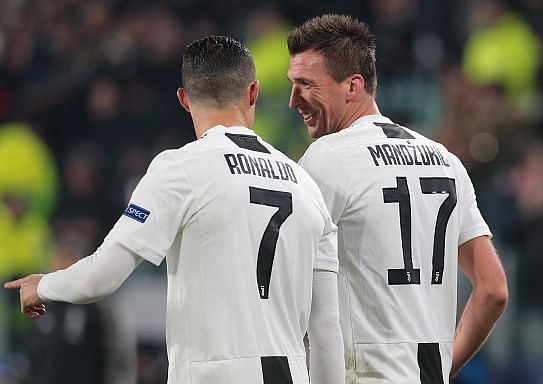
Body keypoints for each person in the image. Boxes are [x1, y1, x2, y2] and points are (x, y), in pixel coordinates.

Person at [4, 35, 345, 384]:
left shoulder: (180, 168)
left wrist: (43, 285)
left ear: (184, 99)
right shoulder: (305, 185)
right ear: (253, 92)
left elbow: (101, 276)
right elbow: (326, 328)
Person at [286, 14, 508, 383]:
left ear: (353, 86)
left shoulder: (329, 159)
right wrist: (444, 366)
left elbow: (284, 280)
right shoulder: (446, 162)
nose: (295, 100)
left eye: (307, 85)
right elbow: (493, 289)